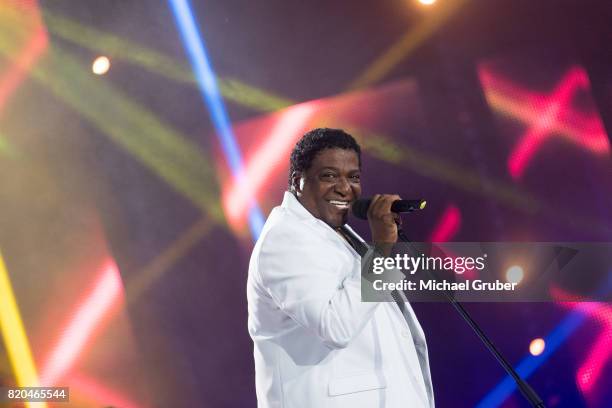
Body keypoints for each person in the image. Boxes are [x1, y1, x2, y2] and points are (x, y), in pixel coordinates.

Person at [247, 128, 434, 407]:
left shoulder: (335, 233)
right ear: (298, 182)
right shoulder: (284, 239)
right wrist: (382, 248)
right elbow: (335, 325)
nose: (345, 188)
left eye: (353, 177)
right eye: (329, 176)